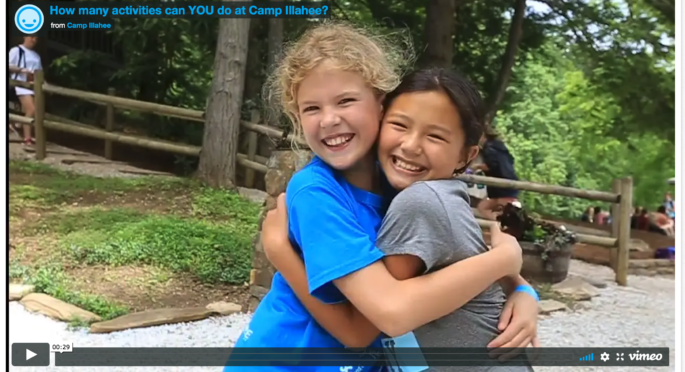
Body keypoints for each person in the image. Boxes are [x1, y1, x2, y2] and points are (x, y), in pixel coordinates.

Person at [225, 23, 534, 372]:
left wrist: (522, 290)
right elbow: (375, 323)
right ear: (297, 118)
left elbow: (458, 256)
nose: (329, 119)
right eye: (311, 108)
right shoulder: (317, 193)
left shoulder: (400, 180)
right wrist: (504, 260)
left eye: (345, 101)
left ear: (381, 105)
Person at [474, 129, 520, 220]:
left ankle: (502, 225)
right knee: (483, 207)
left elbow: (491, 165)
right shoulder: (500, 147)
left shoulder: (489, 149)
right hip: (505, 185)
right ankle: (498, 224)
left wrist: (476, 167)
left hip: (503, 188)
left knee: (498, 208)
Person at [9, 36, 42, 146]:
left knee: (35, 111)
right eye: (31, 37)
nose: (33, 40)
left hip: (33, 86)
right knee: (31, 109)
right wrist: (22, 70)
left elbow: (39, 71)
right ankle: (27, 137)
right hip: (21, 84)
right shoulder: (16, 50)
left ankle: (18, 125)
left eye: (35, 38)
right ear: (25, 37)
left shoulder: (36, 55)